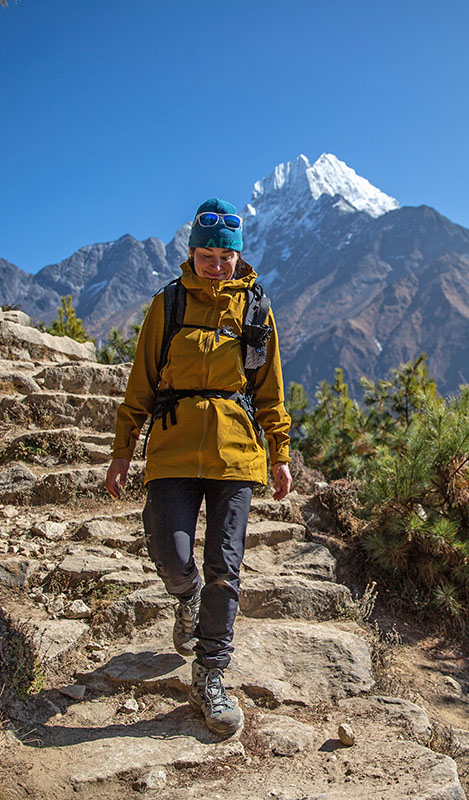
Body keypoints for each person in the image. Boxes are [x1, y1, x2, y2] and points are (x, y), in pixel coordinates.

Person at [104, 197, 292, 739]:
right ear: (191, 254)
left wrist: (280, 454)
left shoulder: (255, 308)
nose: (216, 265)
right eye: (206, 256)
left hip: (235, 450)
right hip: (173, 445)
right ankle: (186, 597)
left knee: (225, 566)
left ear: (238, 256)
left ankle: (211, 674)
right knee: (170, 551)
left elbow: (270, 389)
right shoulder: (167, 305)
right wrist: (122, 451)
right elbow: (140, 383)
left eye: (224, 256)